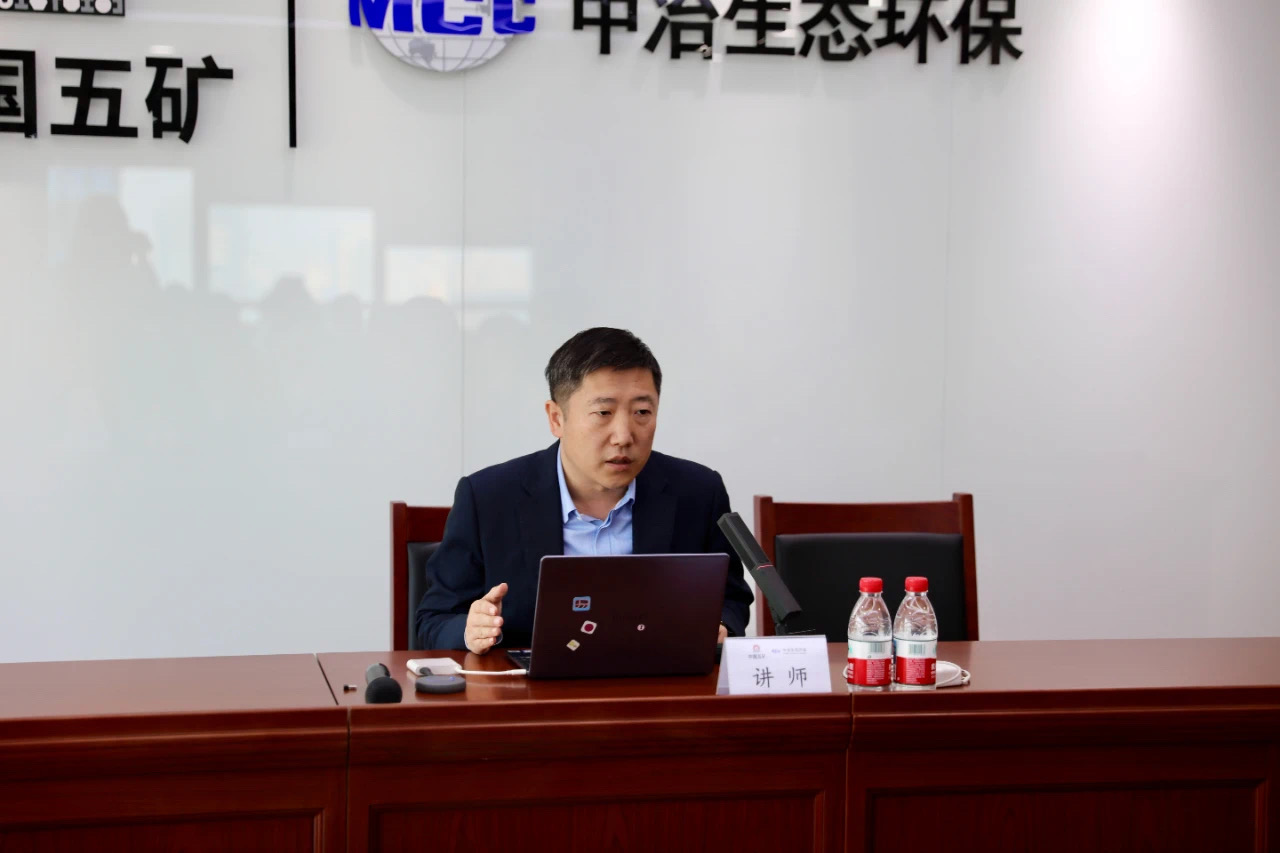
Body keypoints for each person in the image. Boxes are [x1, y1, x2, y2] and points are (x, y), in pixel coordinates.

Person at [416, 327, 753, 653]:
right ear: (556, 418)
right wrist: (471, 629)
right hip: (531, 686)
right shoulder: (488, 498)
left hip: (659, 683)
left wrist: (721, 625)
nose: (624, 435)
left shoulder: (698, 492)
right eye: (603, 412)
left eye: (642, 412)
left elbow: (731, 598)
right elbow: (434, 620)